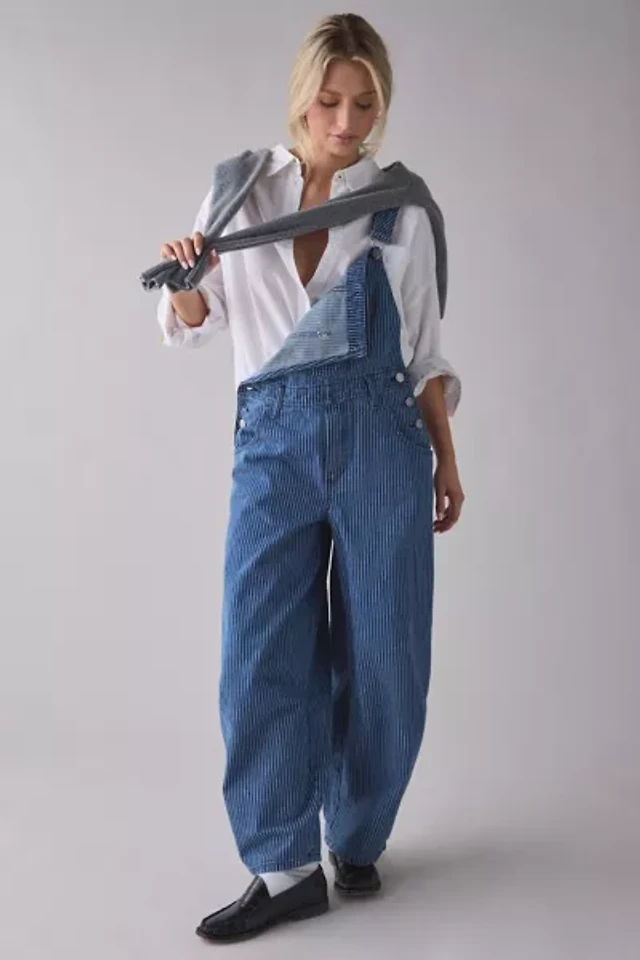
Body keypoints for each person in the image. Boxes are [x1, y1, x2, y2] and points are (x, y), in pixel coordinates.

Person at [156, 12, 464, 944]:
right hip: (272, 450)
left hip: (383, 445)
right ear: (301, 96)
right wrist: (186, 280)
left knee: (386, 654)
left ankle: (358, 838)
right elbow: (199, 324)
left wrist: (447, 460)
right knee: (260, 651)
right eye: (330, 101)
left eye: (365, 104)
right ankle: (284, 867)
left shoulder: (400, 205)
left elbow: (423, 352)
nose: (346, 122)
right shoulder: (241, 191)